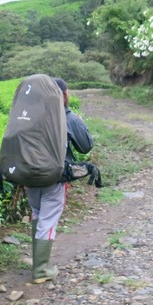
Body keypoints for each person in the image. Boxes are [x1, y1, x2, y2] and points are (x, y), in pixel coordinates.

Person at [27, 77, 94, 284]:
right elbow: (85, 146)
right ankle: (40, 270)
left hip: (29, 174)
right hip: (53, 177)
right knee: (48, 218)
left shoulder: (29, 114)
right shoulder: (66, 116)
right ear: (63, 95)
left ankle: (39, 262)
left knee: (38, 213)